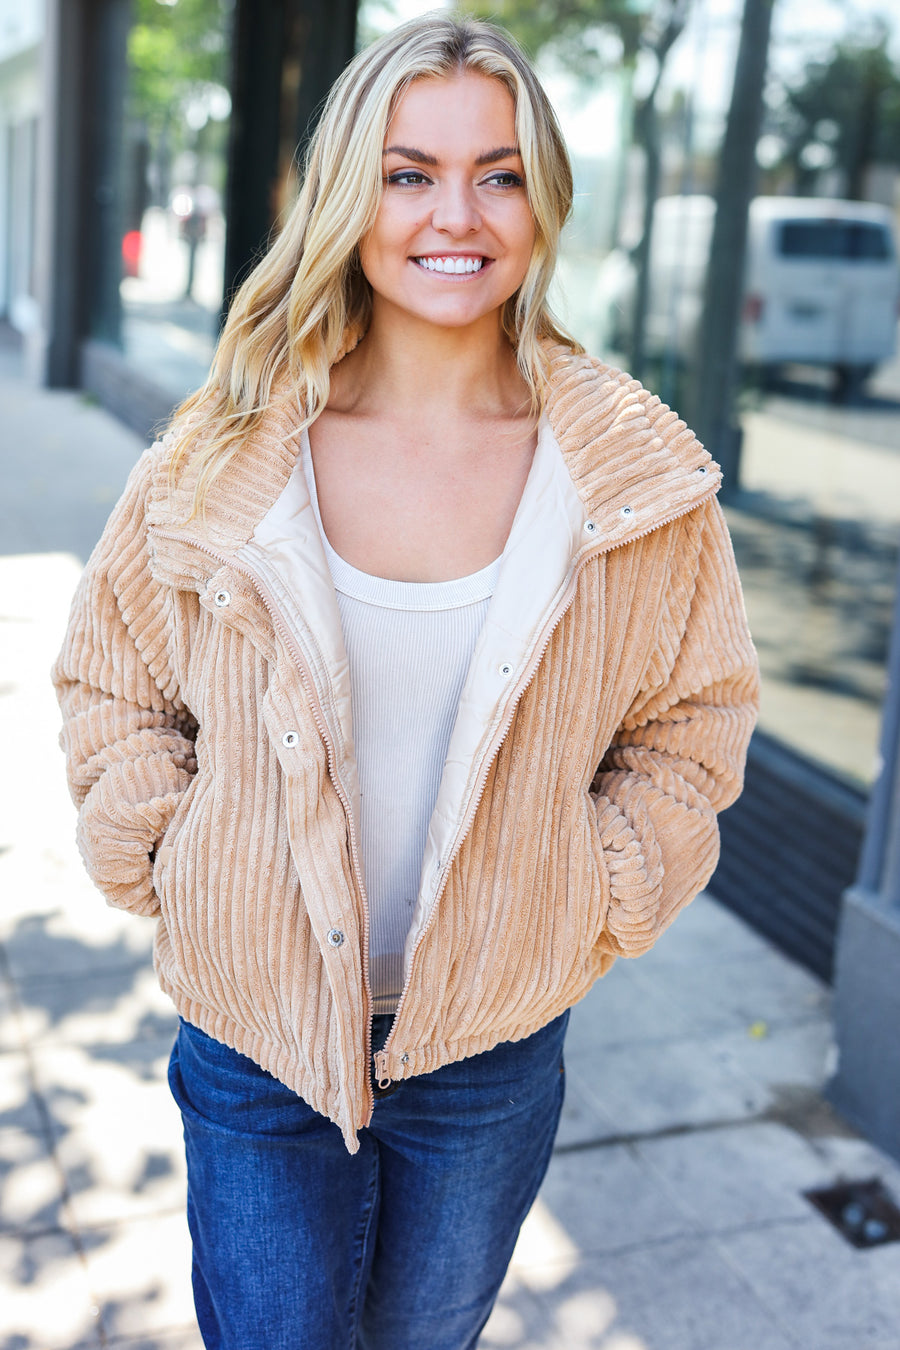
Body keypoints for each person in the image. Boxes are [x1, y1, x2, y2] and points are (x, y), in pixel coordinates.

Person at [53, 12, 759, 1350]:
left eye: (498, 171)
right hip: (256, 1028)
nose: (459, 213)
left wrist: (595, 890)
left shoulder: (631, 480)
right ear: (348, 196)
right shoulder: (228, 450)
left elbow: (690, 727)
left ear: (543, 199)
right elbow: (115, 678)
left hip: (490, 1044)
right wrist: (169, 850)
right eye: (409, 171)